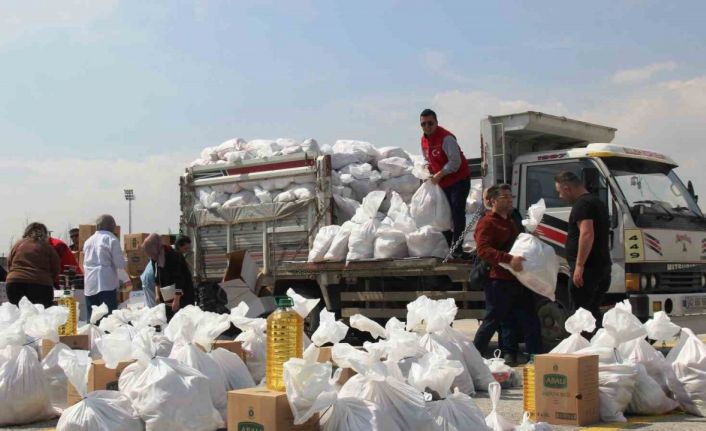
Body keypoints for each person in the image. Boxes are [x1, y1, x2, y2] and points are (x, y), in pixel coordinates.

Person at [472, 184, 542, 364]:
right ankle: (472, 358)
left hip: (518, 279)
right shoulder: (487, 223)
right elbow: (483, 250)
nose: (510, 200)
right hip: (498, 280)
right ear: (493, 201)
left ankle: (536, 358)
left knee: (529, 320)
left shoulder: (512, 221)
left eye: (511, 197)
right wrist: (508, 259)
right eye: (505, 197)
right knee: (492, 321)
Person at [555, 171, 611, 324]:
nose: (560, 196)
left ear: (567, 189)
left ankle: (584, 346)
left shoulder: (582, 205)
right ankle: (597, 345)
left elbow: (586, 234)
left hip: (588, 271)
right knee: (592, 314)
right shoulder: (597, 202)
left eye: (560, 192)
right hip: (601, 268)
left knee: (581, 316)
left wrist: (579, 266)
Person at [419, 108, 471, 258]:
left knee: (456, 211)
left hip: (458, 180)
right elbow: (427, 159)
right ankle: (450, 245)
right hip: (441, 182)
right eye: (423, 124)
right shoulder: (424, 140)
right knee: (442, 214)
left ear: (436, 122)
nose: (427, 127)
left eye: (430, 123)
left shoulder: (446, 138)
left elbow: (455, 162)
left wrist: (439, 174)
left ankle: (457, 250)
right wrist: (427, 170)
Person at [5, 222, 60, 308]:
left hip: (14, 284)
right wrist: (49, 279)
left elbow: (9, 264)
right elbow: (55, 268)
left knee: (17, 315)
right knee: (41, 315)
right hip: (40, 285)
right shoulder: (47, 247)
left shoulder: (17, 244)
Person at [83, 215, 127, 320]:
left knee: (93, 319)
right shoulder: (111, 239)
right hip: (106, 284)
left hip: (90, 284)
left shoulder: (88, 241)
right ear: (112, 226)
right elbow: (120, 264)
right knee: (108, 320)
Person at [142, 233, 194, 319]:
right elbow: (156, 276)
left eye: (150, 251)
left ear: (154, 247)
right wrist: (157, 294)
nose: (149, 254)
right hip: (168, 293)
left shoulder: (172, 255)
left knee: (183, 317)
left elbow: (179, 278)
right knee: (169, 318)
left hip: (182, 293)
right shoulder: (156, 257)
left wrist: (176, 300)